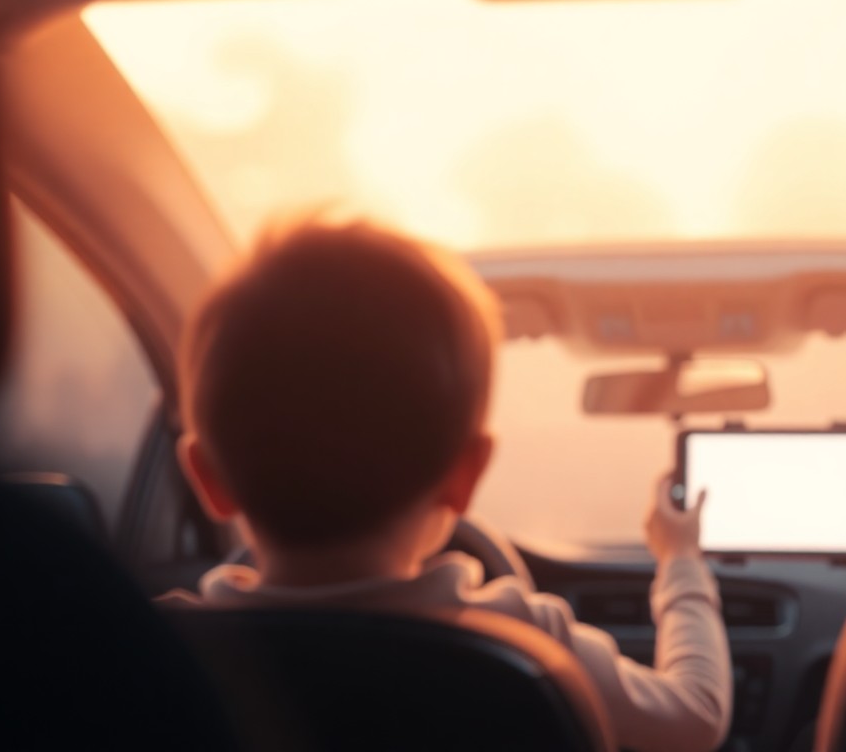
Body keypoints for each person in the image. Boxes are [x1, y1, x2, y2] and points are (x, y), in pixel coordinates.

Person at [161, 220, 732, 752]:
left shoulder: (142, 653)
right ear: (467, 475)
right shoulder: (522, 641)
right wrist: (680, 562)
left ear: (207, 477)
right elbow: (696, 717)